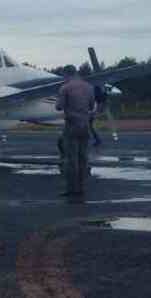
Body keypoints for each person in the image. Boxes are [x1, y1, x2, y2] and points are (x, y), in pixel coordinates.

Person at [56, 65, 96, 199]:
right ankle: (82, 187)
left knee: (71, 159)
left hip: (71, 124)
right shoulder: (89, 87)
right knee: (83, 157)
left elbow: (59, 106)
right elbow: (91, 106)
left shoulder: (65, 87)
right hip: (85, 125)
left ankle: (71, 189)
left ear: (66, 74)